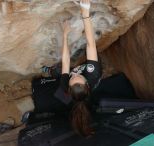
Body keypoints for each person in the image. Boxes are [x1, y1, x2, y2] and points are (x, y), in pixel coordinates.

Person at [40, 0, 102, 137]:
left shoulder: (64, 86)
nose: (73, 76)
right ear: (86, 83)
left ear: (68, 88)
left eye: (71, 79)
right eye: (76, 77)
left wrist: (65, 35)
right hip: (90, 76)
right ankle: (54, 71)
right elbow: (90, 45)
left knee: (58, 71)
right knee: (93, 53)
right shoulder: (93, 74)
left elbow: (66, 62)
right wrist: (85, 13)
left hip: (71, 94)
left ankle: (49, 71)